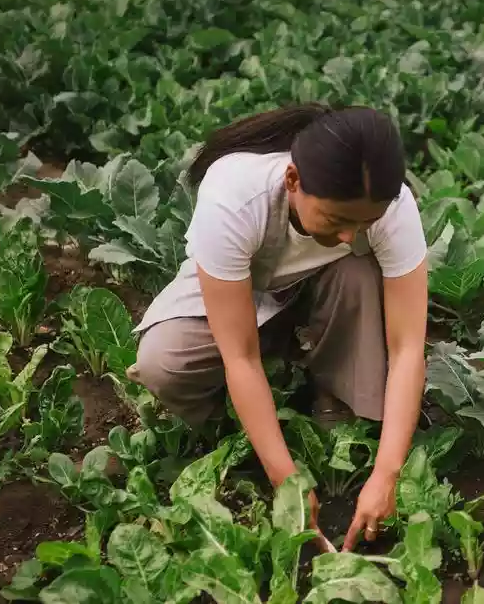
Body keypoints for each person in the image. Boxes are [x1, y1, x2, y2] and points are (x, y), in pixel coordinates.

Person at [127, 104, 429, 552]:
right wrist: (284, 480)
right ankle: (230, 428)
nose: (351, 235)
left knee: (357, 268)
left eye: (364, 223)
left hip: (325, 288)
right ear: (293, 181)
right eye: (336, 219)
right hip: (242, 292)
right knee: (163, 362)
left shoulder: (393, 207)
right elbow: (240, 356)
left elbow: (408, 350)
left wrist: (387, 474)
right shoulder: (235, 194)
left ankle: (336, 400)